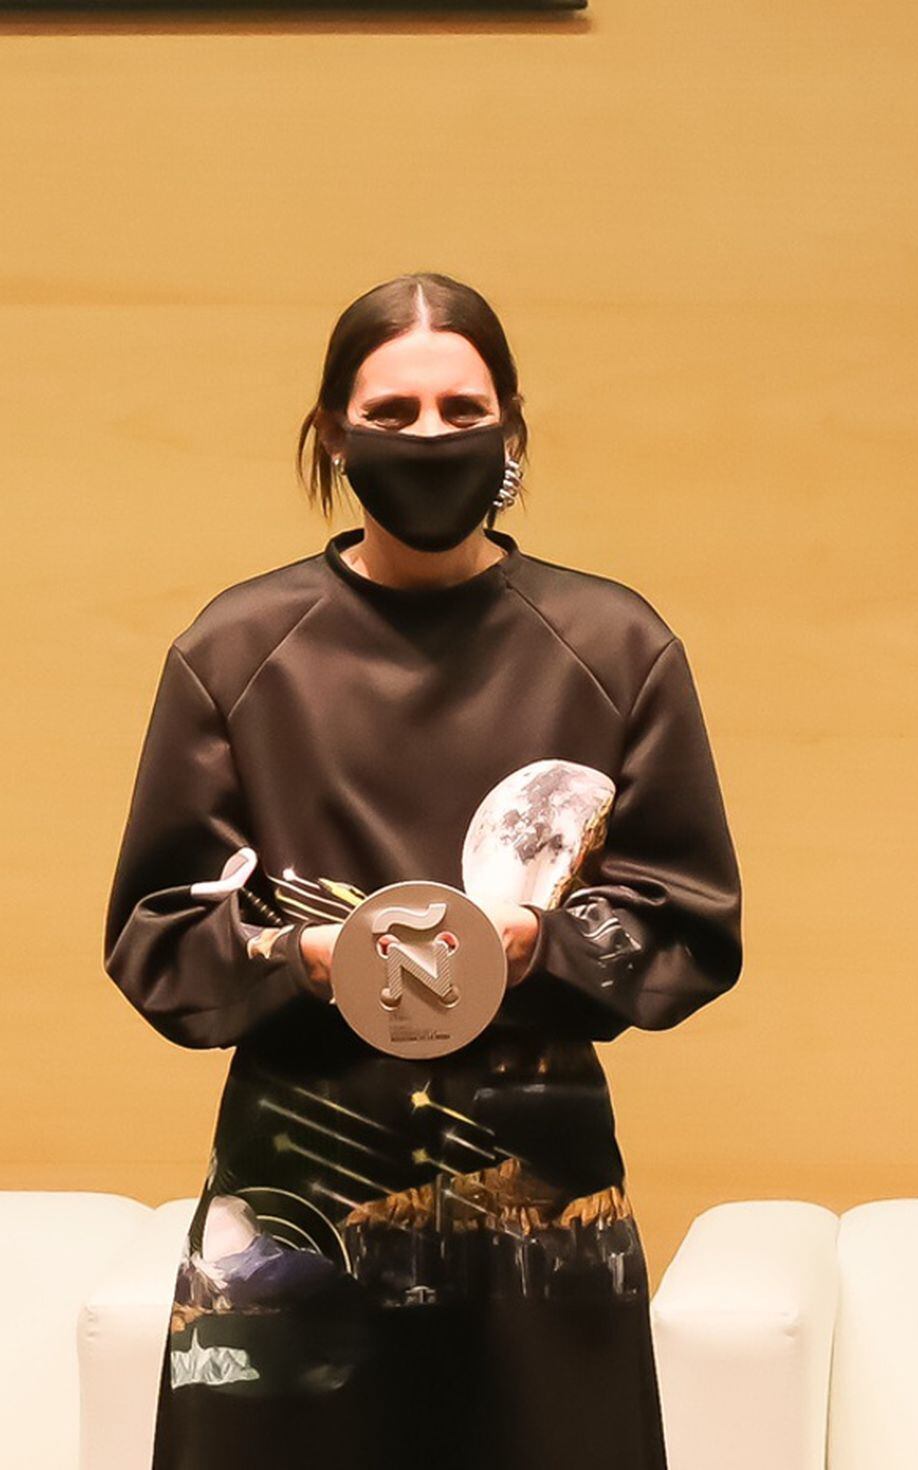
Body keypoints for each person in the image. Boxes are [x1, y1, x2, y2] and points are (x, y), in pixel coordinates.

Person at [102, 271, 743, 1470]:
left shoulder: (613, 646)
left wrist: (534, 947)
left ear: (511, 430)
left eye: (462, 408)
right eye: (391, 413)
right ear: (332, 434)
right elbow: (153, 934)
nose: (430, 437)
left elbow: (691, 920)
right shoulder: (238, 650)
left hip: (538, 1212)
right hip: (292, 1209)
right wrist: (299, 957)